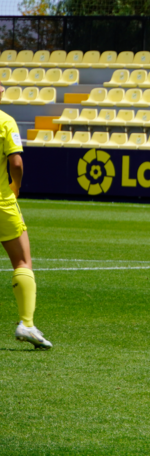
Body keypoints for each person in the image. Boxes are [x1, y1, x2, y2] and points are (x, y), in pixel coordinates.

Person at [0, 109, 51, 349]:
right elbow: (16, 163)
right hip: (2, 202)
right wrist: (15, 185)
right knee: (22, 261)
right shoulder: (6, 121)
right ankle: (27, 324)